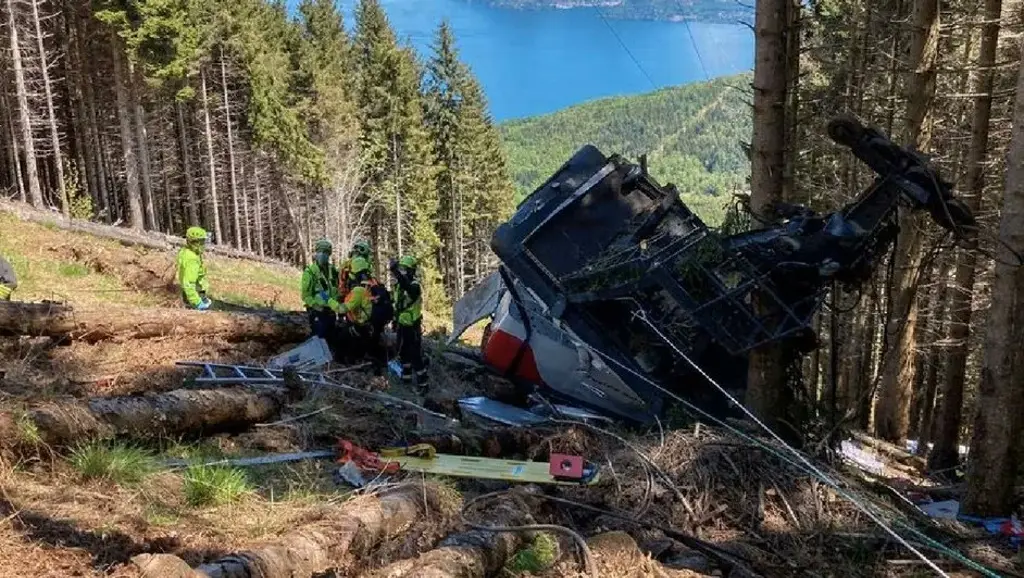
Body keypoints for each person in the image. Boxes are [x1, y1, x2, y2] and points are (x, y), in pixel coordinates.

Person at [331, 256, 387, 374]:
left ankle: (347, 365)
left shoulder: (358, 291)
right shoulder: (373, 285)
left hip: (362, 329)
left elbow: (341, 309)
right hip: (372, 328)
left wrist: (328, 300)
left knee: (340, 338)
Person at [390, 255, 428, 389]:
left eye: (405, 269)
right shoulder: (398, 287)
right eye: (402, 269)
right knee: (403, 354)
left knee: (415, 356)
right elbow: (396, 304)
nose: (403, 271)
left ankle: (423, 384)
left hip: (412, 327)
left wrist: (396, 271)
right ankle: (406, 380)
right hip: (402, 325)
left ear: (412, 271)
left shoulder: (414, 286)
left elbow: (408, 288)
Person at [301, 239, 341, 347]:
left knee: (331, 340)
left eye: (325, 252)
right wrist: (315, 306)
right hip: (317, 312)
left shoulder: (333, 271)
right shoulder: (310, 272)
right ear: (316, 253)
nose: (322, 255)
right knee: (319, 339)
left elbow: (337, 289)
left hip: (331, 311)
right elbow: (306, 295)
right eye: (320, 252)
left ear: (329, 254)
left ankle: (331, 362)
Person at [177, 226, 211, 310]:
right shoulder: (191, 259)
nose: (204, 244)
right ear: (195, 243)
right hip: (195, 296)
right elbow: (188, 283)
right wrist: (197, 302)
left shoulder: (188, 252)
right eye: (202, 242)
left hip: (196, 294)